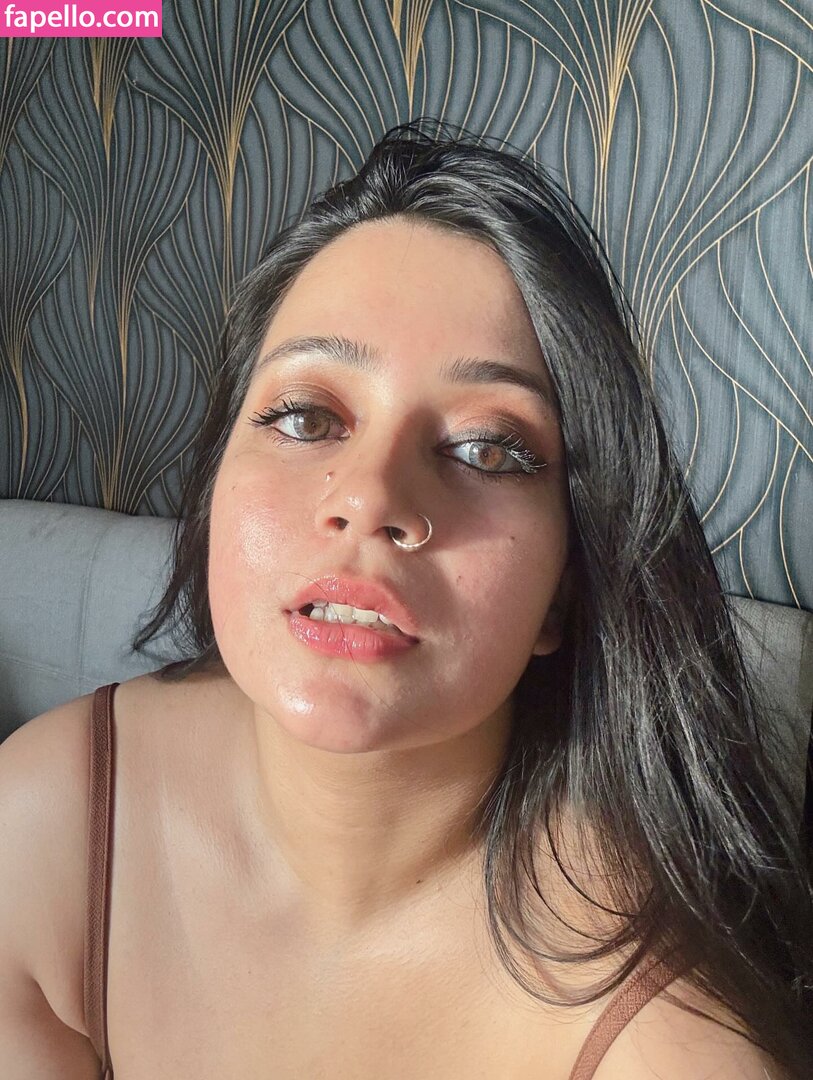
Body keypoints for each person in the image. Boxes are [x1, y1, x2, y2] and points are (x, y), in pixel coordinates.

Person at [1, 118, 810, 1078]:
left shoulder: (670, 1041)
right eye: (306, 417)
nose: (371, 496)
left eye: (486, 449)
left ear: (563, 591)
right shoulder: (48, 820)